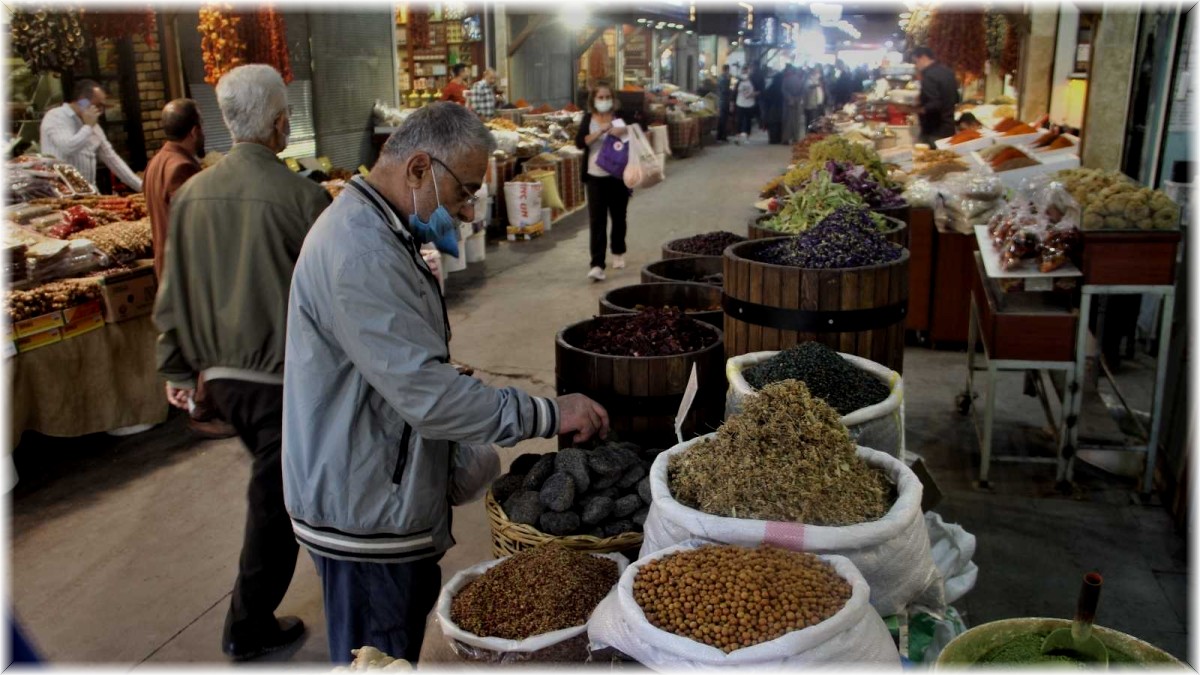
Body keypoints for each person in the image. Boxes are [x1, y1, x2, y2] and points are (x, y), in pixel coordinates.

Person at [282, 102, 610, 663]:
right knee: (378, 660)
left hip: (375, 493)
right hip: (365, 515)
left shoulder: (380, 228)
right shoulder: (361, 251)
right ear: (418, 169)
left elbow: (394, 363)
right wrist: (551, 413)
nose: (466, 211)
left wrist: (435, 371)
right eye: (464, 191)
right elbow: (428, 400)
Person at [153, 64, 332, 661]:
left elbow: (172, 289)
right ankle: (248, 626)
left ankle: (263, 613)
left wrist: (177, 368)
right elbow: (335, 295)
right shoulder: (303, 197)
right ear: (281, 123)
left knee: (279, 491)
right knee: (277, 507)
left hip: (223, 381)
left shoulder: (192, 195)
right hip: (282, 383)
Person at [143, 98, 236, 441]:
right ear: (195, 130)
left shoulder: (156, 162)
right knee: (204, 337)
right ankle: (203, 410)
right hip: (188, 268)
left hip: (166, 262)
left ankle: (204, 404)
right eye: (204, 127)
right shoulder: (181, 168)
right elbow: (198, 222)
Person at [40, 79, 143, 193]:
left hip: (88, 190)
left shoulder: (94, 126)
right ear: (83, 102)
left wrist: (142, 187)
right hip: (61, 191)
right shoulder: (56, 116)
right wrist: (88, 127)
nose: (101, 111)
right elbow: (68, 147)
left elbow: (112, 159)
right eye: (98, 105)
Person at [574, 82, 632, 282]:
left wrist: (623, 131)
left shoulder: (620, 117)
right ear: (593, 100)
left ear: (613, 99)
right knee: (597, 221)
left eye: (608, 97)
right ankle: (597, 264)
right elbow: (580, 142)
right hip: (594, 177)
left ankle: (618, 250)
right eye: (601, 97)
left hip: (618, 176)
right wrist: (599, 132)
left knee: (619, 216)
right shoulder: (588, 119)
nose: (604, 100)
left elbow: (639, 131)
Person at [912, 46, 959, 147]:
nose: (916, 66)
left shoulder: (929, 75)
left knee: (929, 156)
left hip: (934, 131)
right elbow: (956, 98)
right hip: (949, 128)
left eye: (916, 62)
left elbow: (934, 105)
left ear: (923, 57)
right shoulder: (948, 72)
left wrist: (916, 109)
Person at [781, 65, 806, 145]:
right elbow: (803, 91)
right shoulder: (800, 80)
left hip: (788, 103)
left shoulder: (786, 79)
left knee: (787, 121)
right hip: (797, 102)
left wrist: (789, 98)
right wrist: (797, 99)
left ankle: (786, 138)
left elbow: (783, 90)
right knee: (796, 121)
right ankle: (795, 138)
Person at [735, 72, 758, 144]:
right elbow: (736, 92)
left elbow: (757, 92)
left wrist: (752, 95)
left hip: (746, 104)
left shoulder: (752, 82)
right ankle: (740, 137)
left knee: (745, 121)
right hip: (742, 103)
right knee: (742, 121)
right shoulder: (740, 83)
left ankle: (744, 137)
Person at [716, 64, 733, 143]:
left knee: (721, 119)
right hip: (725, 100)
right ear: (727, 70)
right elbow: (725, 90)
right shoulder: (725, 79)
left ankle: (720, 136)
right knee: (724, 119)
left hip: (721, 100)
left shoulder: (720, 77)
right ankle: (722, 136)